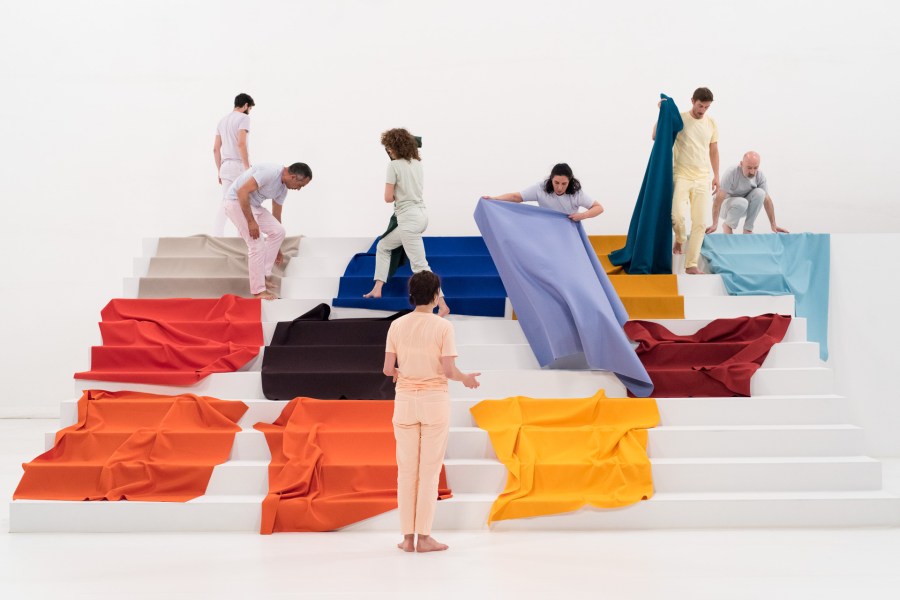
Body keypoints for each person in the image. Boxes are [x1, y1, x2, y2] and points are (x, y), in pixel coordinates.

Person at [383, 271, 480, 553]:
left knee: (406, 472)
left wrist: (400, 372)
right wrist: (466, 379)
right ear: (436, 295)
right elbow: (449, 371)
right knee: (428, 471)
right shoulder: (443, 327)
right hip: (434, 401)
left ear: (411, 295)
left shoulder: (397, 325)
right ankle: (424, 538)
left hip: (405, 401)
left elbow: (388, 369)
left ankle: (407, 538)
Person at [363, 128, 450, 317]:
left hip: (408, 219)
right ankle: (378, 287)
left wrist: (398, 193)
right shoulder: (417, 164)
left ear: (395, 147)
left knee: (420, 266)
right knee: (384, 246)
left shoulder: (393, 166)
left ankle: (442, 305)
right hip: (421, 215)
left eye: (389, 147)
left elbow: (388, 197)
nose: (388, 150)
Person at [654, 87, 719, 274]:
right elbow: (655, 136)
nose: (702, 110)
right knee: (677, 216)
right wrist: (662, 114)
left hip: (702, 178)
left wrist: (716, 176)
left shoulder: (711, 123)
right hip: (682, 175)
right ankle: (680, 238)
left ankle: (691, 264)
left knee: (700, 223)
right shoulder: (680, 119)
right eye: (700, 106)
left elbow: (714, 150)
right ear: (692, 101)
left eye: (706, 107)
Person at [224, 163, 312, 300]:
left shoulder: (283, 190)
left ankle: (263, 275)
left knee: (279, 231)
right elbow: (242, 192)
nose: (299, 189)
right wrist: (251, 222)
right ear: (293, 177)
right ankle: (258, 291)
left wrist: (277, 247)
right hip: (235, 201)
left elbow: (277, 216)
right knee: (257, 245)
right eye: (300, 185)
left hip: (254, 206)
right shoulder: (270, 172)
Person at [482, 163, 604, 221]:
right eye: (556, 182)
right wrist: (495, 198)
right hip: (547, 228)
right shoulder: (540, 188)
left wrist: (583, 215)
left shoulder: (576, 193)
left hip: (569, 230)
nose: (559, 188)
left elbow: (598, 208)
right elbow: (516, 197)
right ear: (551, 179)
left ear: (569, 182)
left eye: (564, 184)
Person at [706, 151, 789, 234]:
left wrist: (773, 225)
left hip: (743, 207)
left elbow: (767, 200)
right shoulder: (732, 172)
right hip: (724, 207)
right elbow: (718, 199)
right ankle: (728, 225)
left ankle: (748, 228)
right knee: (742, 202)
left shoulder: (759, 175)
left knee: (761, 193)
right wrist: (714, 224)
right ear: (741, 164)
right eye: (749, 168)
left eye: (755, 168)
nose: (752, 172)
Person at [213, 93, 254, 236]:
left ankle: (217, 235)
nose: (249, 111)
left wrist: (219, 171)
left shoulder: (222, 121)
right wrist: (247, 168)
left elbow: (215, 149)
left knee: (226, 202)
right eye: (250, 108)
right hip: (239, 166)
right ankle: (242, 237)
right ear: (246, 105)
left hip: (225, 167)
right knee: (243, 202)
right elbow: (241, 144)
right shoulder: (244, 118)